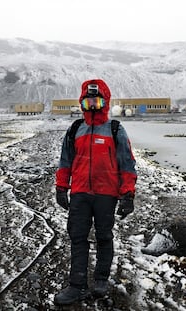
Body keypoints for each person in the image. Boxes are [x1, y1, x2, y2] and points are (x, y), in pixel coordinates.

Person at [54, 79, 137, 305]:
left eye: (97, 101)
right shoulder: (75, 129)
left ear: (105, 102)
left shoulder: (115, 129)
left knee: (104, 237)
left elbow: (127, 163)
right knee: (78, 237)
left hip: (106, 195)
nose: (93, 105)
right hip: (80, 193)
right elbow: (65, 161)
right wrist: (62, 187)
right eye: (88, 101)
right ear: (82, 102)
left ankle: (101, 279)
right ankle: (76, 285)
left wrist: (128, 194)